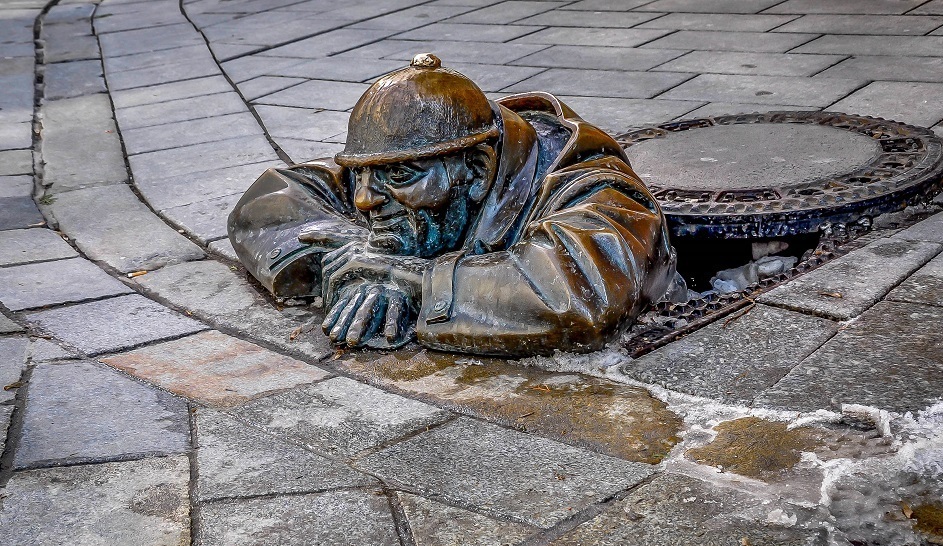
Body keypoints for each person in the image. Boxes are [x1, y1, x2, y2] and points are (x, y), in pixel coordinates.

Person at [229, 53, 683, 357]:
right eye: (361, 175)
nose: (365, 199)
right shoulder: (407, 163)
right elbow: (268, 204)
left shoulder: (590, 183)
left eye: (399, 178)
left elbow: (583, 295)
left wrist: (409, 280)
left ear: (479, 168)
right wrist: (355, 255)